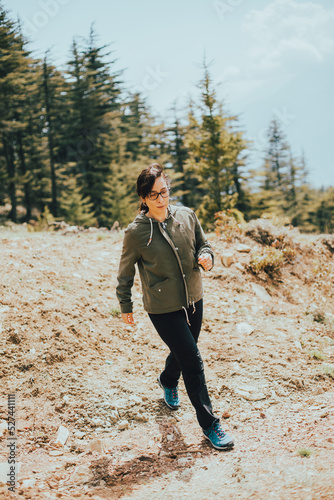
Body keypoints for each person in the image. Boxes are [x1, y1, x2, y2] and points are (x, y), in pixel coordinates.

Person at [116, 163, 234, 450]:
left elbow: (204, 245)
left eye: (164, 191)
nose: (161, 199)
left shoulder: (187, 216)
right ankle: (210, 424)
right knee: (193, 360)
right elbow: (125, 272)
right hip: (163, 308)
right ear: (143, 198)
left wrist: (207, 257)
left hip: (194, 299)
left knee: (184, 351)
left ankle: (168, 380)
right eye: (153, 194)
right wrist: (125, 305)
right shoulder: (136, 232)